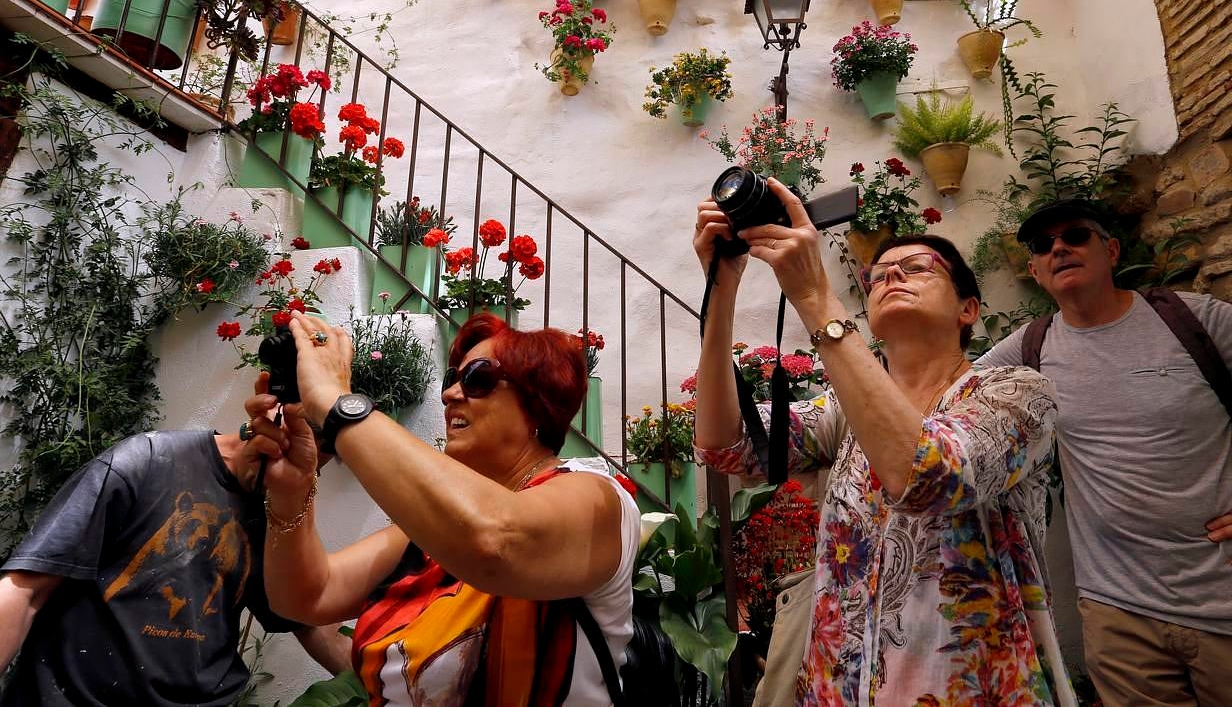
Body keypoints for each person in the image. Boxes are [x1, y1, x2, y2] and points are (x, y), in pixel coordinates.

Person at [692, 178, 1076, 706]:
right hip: (842, 687)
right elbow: (723, 444)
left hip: (971, 688)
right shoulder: (846, 409)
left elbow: (932, 475)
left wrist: (815, 298)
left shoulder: (1018, 394)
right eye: (877, 276)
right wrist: (722, 291)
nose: (891, 273)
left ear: (969, 309)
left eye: (917, 268)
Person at [976, 198, 1232, 706]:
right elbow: (938, 406)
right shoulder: (1028, 351)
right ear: (1036, 270)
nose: (1059, 248)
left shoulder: (1189, 319)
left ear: (1110, 249)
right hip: (1121, 621)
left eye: (1076, 236)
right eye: (1044, 246)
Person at [246, 312, 639, 705]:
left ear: (538, 405)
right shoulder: (433, 529)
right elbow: (305, 598)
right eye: (453, 379)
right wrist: (291, 489)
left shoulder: (598, 497)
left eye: (477, 379)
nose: (450, 394)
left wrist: (337, 403)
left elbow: (497, 542)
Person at [0, 406, 351, 706]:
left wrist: (395, 682)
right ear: (271, 416)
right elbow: (25, 587)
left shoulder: (280, 513)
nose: (288, 477)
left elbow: (312, 623)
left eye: (312, 472)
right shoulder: (147, 461)